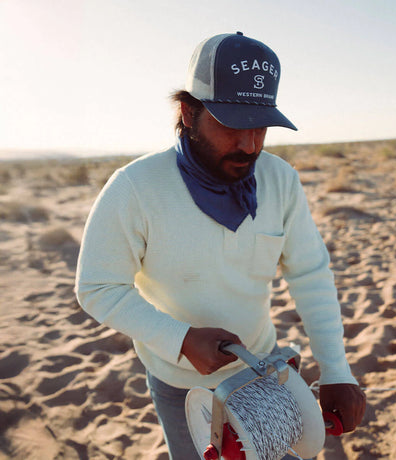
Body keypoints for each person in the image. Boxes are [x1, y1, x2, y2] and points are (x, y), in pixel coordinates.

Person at [76, 32, 365, 460]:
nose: (250, 145)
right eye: (232, 124)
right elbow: (97, 287)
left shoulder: (280, 179)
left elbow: (310, 275)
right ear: (188, 112)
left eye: (260, 126)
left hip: (265, 370)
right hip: (179, 384)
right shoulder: (135, 188)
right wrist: (180, 339)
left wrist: (337, 370)